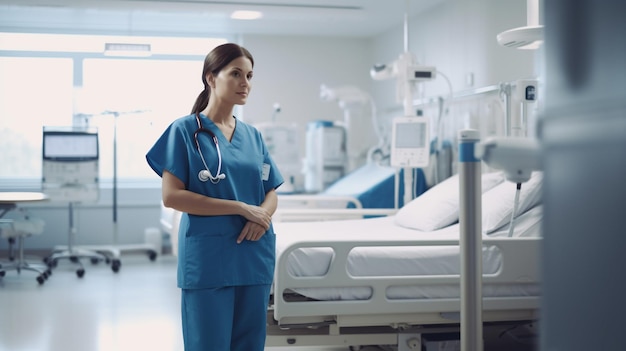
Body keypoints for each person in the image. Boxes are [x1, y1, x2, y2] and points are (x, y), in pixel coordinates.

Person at [145, 43, 283, 351]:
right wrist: (241, 208)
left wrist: (262, 216)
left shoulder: (253, 136)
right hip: (209, 258)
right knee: (208, 344)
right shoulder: (184, 131)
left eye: (249, 75)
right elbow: (172, 196)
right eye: (235, 74)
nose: (245, 83)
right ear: (211, 77)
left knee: (250, 344)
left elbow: (271, 191)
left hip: (253, 252)